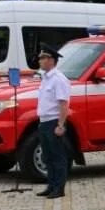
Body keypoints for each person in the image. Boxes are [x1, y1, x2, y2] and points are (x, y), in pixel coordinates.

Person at [35, 44, 71, 199]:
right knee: (48, 156)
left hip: (53, 122)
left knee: (57, 157)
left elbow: (63, 104)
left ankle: (59, 188)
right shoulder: (45, 78)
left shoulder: (58, 79)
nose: (40, 61)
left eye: (42, 58)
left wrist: (61, 125)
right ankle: (51, 186)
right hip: (44, 122)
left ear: (51, 60)